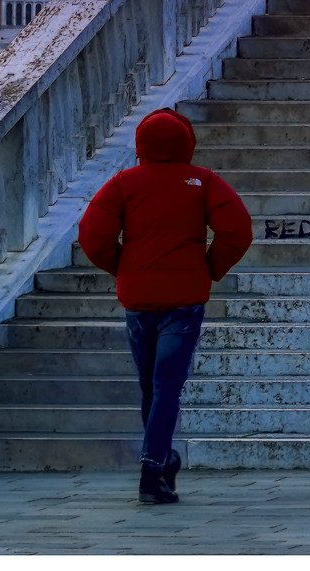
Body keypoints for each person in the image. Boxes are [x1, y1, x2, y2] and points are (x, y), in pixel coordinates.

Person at [77, 107, 252, 505]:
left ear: (141, 144)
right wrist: (210, 267)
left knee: (150, 385)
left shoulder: (123, 183)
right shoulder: (202, 181)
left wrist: (123, 267)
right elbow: (238, 230)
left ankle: (159, 459)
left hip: (139, 299)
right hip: (184, 299)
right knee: (167, 385)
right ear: (186, 143)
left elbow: (92, 234)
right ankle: (155, 467)